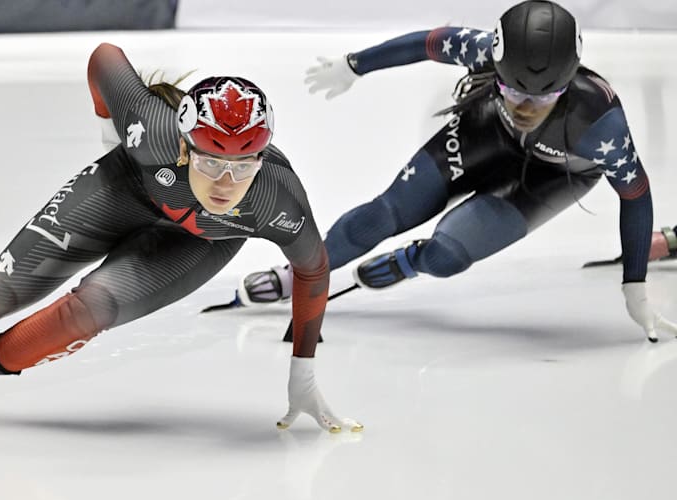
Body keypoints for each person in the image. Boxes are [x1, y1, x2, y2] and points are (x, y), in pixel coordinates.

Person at [0, 43, 361, 432]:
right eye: (211, 163)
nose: (227, 183)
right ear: (183, 147)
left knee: (92, 307)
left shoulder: (278, 199)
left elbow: (313, 270)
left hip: (199, 243)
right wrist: (108, 124)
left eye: (244, 166)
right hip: (125, 188)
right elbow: (105, 57)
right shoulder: (150, 130)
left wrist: (301, 371)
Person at [233, 1, 677, 342]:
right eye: (511, 89)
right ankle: (300, 275)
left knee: (446, 256)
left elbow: (635, 196)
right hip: (484, 131)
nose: (524, 107)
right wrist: (354, 65)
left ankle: (412, 261)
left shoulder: (601, 124)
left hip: (553, 176)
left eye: (543, 99)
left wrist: (634, 285)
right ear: (496, 68)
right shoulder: (484, 51)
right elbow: (428, 42)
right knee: (386, 213)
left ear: (567, 85)